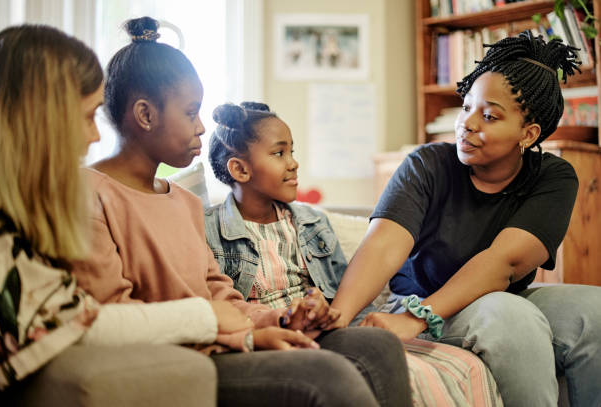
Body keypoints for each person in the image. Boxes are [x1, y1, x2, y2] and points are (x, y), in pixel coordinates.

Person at [71, 16, 411, 407]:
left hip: (223, 340)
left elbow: (219, 292)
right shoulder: (89, 194)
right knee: (323, 376)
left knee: (376, 347)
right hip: (176, 359)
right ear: (146, 115)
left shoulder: (183, 202)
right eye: (190, 112)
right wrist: (246, 337)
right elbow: (115, 317)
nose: (201, 127)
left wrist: (281, 320)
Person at [329, 30, 601, 407]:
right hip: (417, 300)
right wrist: (336, 320)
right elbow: (383, 244)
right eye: (466, 107)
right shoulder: (426, 165)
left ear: (528, 133)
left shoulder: (553, 177)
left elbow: (503, 264)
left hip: (491, 299)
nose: (467, 123)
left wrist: (419, 319)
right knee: (510, 313)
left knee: (595, 310)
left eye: (489, 115)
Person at [205, 101, 502, 407]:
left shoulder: (311, 223)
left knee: (398, 349)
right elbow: (220, 306)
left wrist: (321, 308)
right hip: (262, 333)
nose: (293, 163)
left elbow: (341, 294)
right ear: (240, 169)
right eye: (279, 153)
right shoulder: (207, 231)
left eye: (292, 152)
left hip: (319, 329)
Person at [0, 24, 218, 407]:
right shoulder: (4, 227)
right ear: (40, 118)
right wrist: (212, 319)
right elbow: (75, 322)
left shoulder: (16, 215)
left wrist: (254, 322)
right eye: (87, 116)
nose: (95, 136)